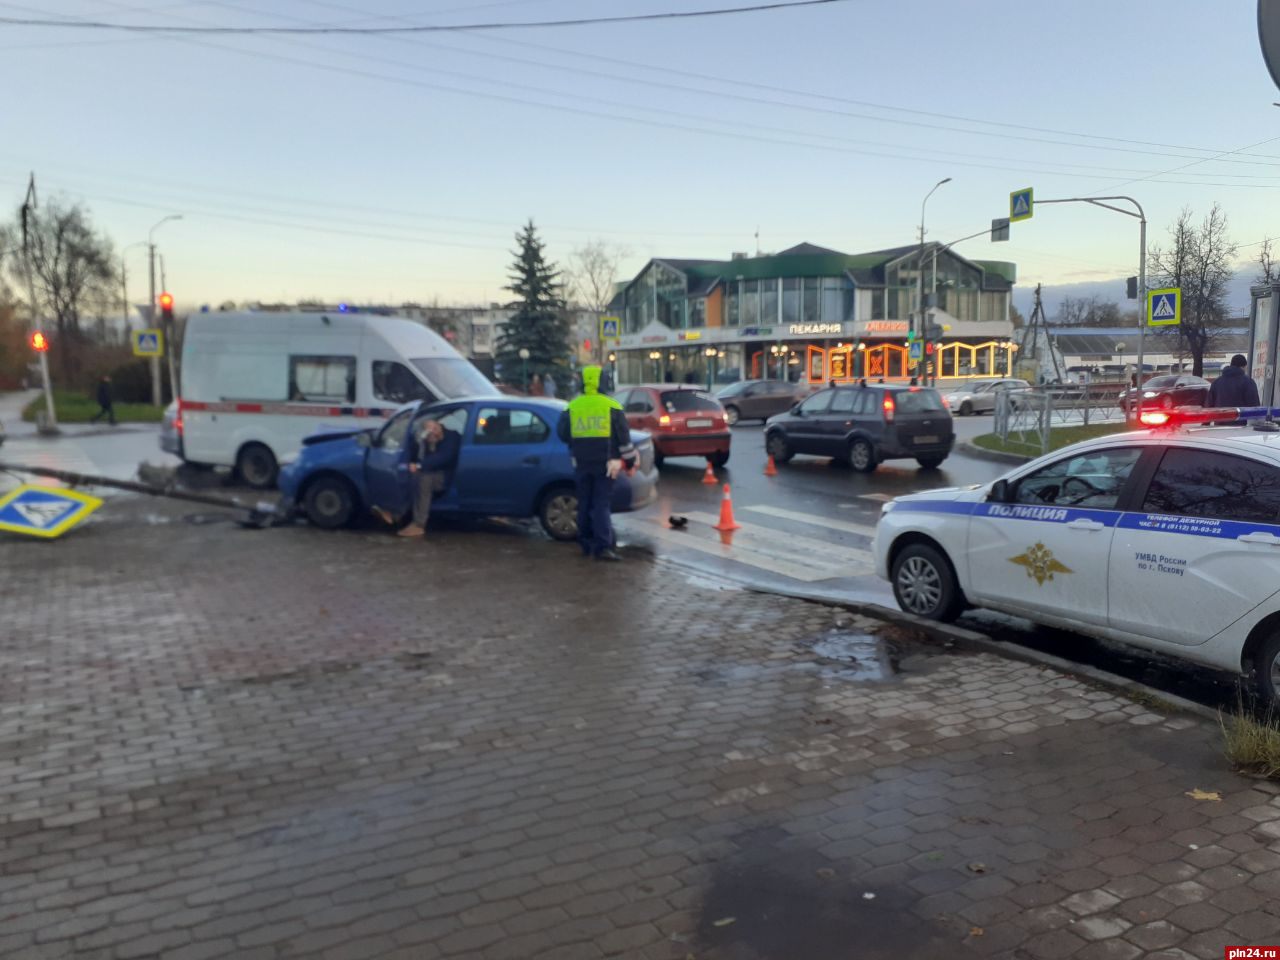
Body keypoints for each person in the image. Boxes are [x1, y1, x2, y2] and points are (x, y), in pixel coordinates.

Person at [557, 365, 636, 561]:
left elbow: (563, 434)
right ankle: (602, 547)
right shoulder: (612, 406)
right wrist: (631, 460)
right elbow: (624, 438)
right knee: (601, 504)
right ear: (602, 381)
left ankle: (585, 543)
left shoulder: (572, 406)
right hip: (606, 464)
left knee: (584, 502)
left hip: (581, 462)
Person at [394, 419, 461, 539]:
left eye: (434, 429)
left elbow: (443, 457)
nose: (433, 433)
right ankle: (398, 512)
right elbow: (416, 455)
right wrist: (421, 441)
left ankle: (419, 524)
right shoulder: (428, 439)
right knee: (412, 477)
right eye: (429, 430)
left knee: (424, 480)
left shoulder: (452, 437)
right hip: (431, 472)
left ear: (440, 425)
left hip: (448, 475)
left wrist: (419, 465)